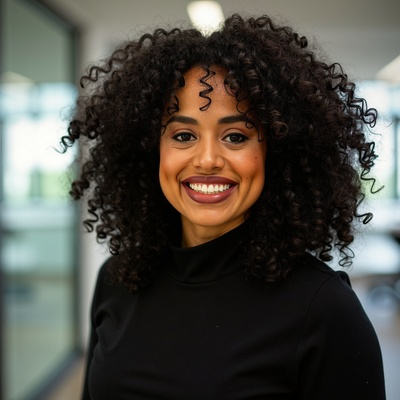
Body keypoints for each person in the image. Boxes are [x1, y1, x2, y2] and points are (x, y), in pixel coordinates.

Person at [62, 13, 386, 400]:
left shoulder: (323, 308)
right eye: (183, 135)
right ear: (152, 150)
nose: (207, 160)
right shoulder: (117, 280)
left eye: (235, 136)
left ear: (275, 151)